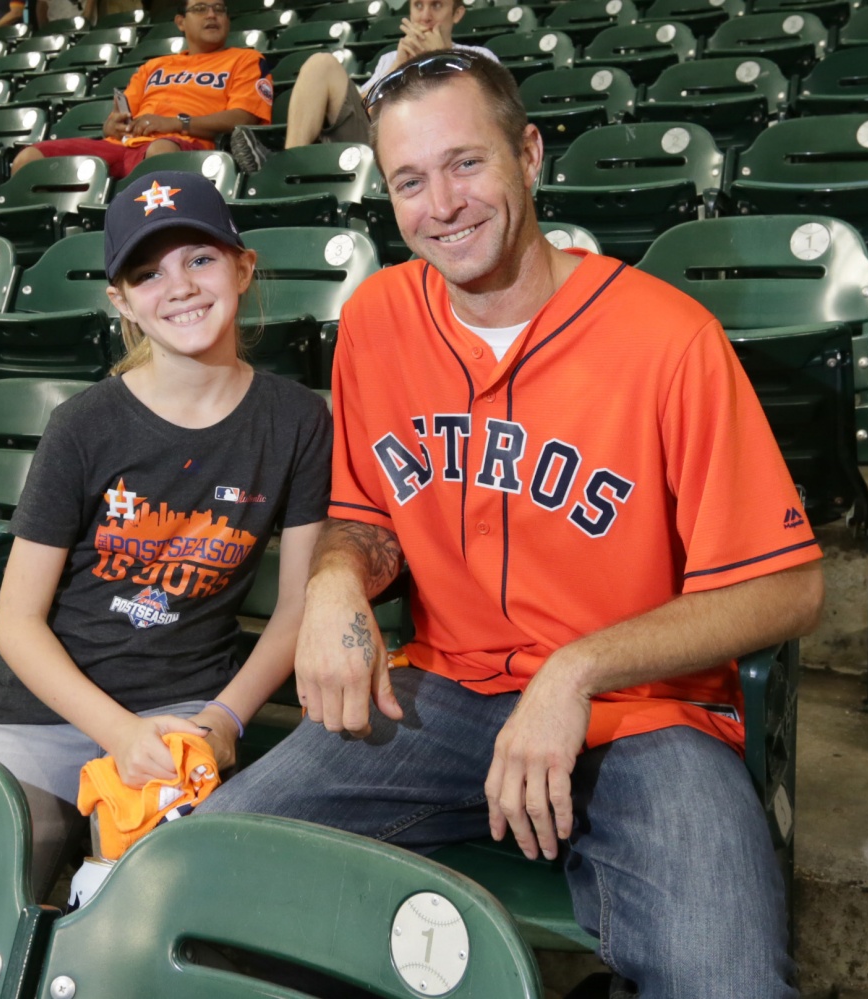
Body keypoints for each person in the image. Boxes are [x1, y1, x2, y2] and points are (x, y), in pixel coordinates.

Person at [201, 53, 825, 998]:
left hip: (648, 717)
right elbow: (366, 517)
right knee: (206, 867)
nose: (441, 204)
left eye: (466, 164)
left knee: (725, 979)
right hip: (444, 696)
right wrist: (333, 578)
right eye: (410, 180)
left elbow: (789, 586)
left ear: (528, 155)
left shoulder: (669, 339)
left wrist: (577, 671)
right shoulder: (375, 319)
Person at [0, 170, 331, 901]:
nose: (181, 286)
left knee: (152, 916)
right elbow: (16, 620)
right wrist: (114, 730)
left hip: (187, 712)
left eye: (199, 258)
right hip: (53, 707)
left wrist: (225, 718)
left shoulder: (297, 420)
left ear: (242, 264)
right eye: (147, 272)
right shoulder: (83, 425)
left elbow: (298, 605)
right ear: (122, 300)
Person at [229, 0, 495, 177]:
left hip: (432, 148)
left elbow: (482, 117)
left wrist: (440, 58)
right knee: (321, 63)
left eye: (436, 5)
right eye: (418, 5)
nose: (425, 16)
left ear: (457, 13)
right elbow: (360, 109)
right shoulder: (391, 59)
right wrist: (398, 68)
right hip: (377, 141)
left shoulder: (476, 56)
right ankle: (285, 169)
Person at [11, 1, 273, 178]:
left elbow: (244, 117)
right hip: (123, 146)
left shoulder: (246, 60)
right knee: (28, 158)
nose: (212, 15)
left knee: (160, 153)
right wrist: (111, 126)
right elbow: (120, 119)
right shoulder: (154, 66)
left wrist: (176, 123)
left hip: (184, 145)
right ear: (181, 22)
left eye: (219, 9)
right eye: (201, 9)